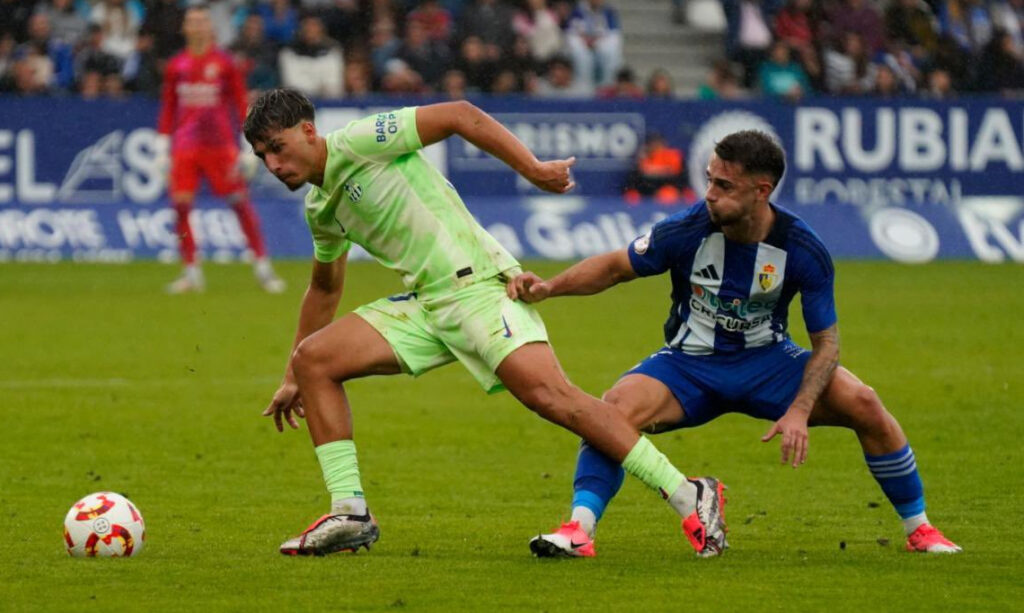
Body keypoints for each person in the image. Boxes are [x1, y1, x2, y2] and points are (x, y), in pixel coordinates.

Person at [243, 88, 728, 557]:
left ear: (308, 131)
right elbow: (325, 289)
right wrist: (291, 378)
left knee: (554, 399)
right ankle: (349, 512)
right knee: (313, 361)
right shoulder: (319, 208)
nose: (273, 164)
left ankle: (689, 494)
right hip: (427, 303)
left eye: (278, 148)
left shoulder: (359, 140)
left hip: (476, 286)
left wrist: (534, 170)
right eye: (262, 155)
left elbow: (458, 113)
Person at [509, 130, 962, 557]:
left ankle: (919, 529)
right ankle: (579, 530)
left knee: (864, 402)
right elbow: (612, 267)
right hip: (689, 364)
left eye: (724, 185)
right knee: (610, 410)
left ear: (761, 191)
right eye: (709, 180)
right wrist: (549, 289)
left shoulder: (803, 249)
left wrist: (800, 410)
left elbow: (827, 343)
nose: (709, 194)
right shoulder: (686, 229)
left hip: (769, 363)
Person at [156, 4, 284, 294]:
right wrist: (161, 147)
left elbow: (240, 105)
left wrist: (248, 146)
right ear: (185, 28)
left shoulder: (225, 63)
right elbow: (168, 107)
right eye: (192, 22)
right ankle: (191, 272)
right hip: (186, 147)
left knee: (240, 203)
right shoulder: (177, 65)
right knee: (180, 206)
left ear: (210, 27)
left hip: (220, 146)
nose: (198, 26)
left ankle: (263, 268)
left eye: (202, 21)